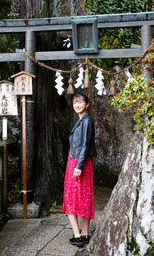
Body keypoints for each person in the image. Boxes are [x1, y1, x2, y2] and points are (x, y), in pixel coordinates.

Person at [63, 93, 97, 248]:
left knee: (73, 196)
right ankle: (84, 233)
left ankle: (78, 236)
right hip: (77, 160)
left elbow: (84, 144)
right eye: (75, 103)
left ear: (87, 104)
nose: (77, 105)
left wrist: (78, 165)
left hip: (78, 161)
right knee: (81, 196)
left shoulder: (87, 120)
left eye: (80, 102)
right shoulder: (83, 120)